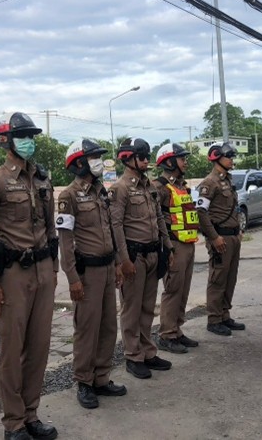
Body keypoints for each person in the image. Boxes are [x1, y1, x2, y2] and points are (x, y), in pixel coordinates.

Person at [0, 112, 59, 440]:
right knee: (12, 351)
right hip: (13, 275)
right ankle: (14, 422)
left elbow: (51, 229)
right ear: (4, 141)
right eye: (22, 136)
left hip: (43, 271)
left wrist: (54, 268)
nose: (29, 141)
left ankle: (31, 414)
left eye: (31, 136)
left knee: (39, 348)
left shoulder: (42, 179)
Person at [57, 139, 127, 409]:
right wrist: (73, 278)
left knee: (108, 326)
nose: (98, 161)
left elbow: (109, 228)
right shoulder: (69, 196)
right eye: (93, 157)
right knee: (87, 328)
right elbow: (65, 242)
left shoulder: (101, 192)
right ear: (79, 163)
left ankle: (101, 378)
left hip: (108, 268)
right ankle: (84, 382)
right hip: (87, 273)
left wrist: (118, 263)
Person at [109, 137, 174, 379]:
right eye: (142, 157)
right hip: (134, 256)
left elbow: (159, 218)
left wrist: (168, 247)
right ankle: (133, 355)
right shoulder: (120, 188)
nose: (147, 161)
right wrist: (123, 260)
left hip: (153, 253)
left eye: (148, 156)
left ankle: (148, 352)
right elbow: (116, 226)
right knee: (131, 309)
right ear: (128, 158)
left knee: (147, 308)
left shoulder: (149, 186)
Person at [152, 143, 200, 354]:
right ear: (170, 162)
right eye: (182, 159)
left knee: (183, 289)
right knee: (173, 290)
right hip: (174, 245)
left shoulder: (181, 186)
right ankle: (167, 334)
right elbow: (155, 218)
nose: (185, 162)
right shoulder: (159, 187)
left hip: (188, 243)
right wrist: (166, 248)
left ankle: (177, 329)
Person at [196, 142, 246, 337]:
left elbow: (234, 208)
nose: (232, 160)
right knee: (218, 278)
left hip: (232, 236)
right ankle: (214, 319)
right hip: (220, 237)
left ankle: (225, 314)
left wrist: (239, 230)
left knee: (230, 277)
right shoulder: (210, 183)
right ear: (216, 158)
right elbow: (201, 212)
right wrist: (213, 237)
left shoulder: (227, 180)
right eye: (228, 156)